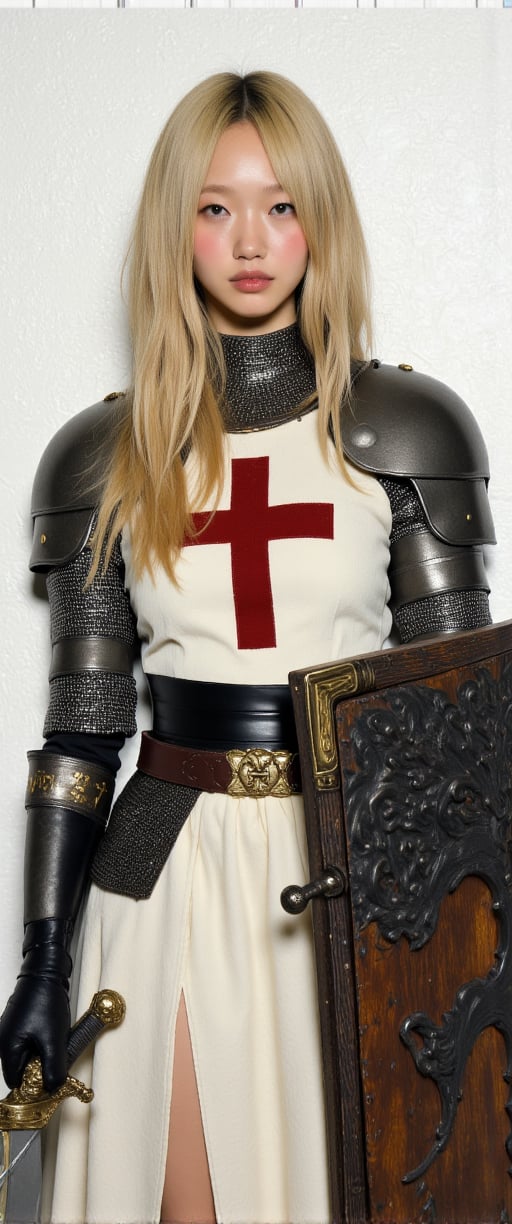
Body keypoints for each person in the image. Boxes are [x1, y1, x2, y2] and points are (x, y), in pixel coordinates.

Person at [0, 71, 494, 1224]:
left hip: (354, 874)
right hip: (163, 870)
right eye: (214, 208)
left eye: (279, 204)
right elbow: (79, 732)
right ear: (176, 227)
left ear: (319, 217)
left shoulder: (403, 433)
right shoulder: (107, 457)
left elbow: (461, 733)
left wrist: (473, 949)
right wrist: (40, 952)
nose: (251, 240)